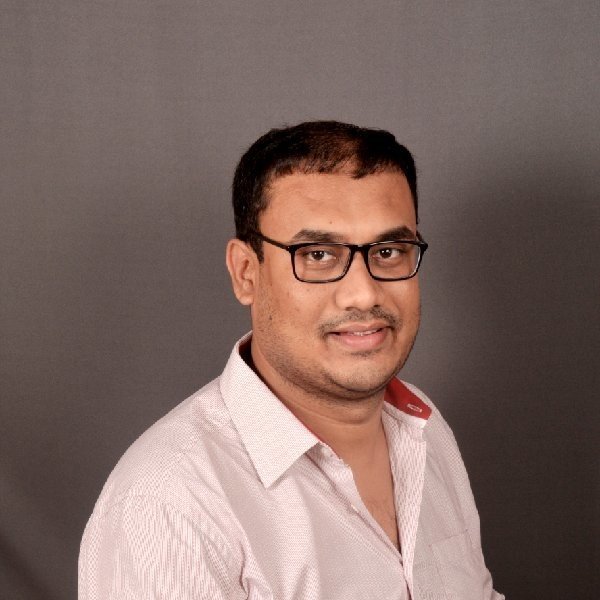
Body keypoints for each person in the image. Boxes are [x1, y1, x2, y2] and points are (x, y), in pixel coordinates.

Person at [79, 121, 504, 599]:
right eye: (318, 255)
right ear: (246, 273)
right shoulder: (170, 504)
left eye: (388, 250)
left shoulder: (426, 431)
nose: (363, 293)